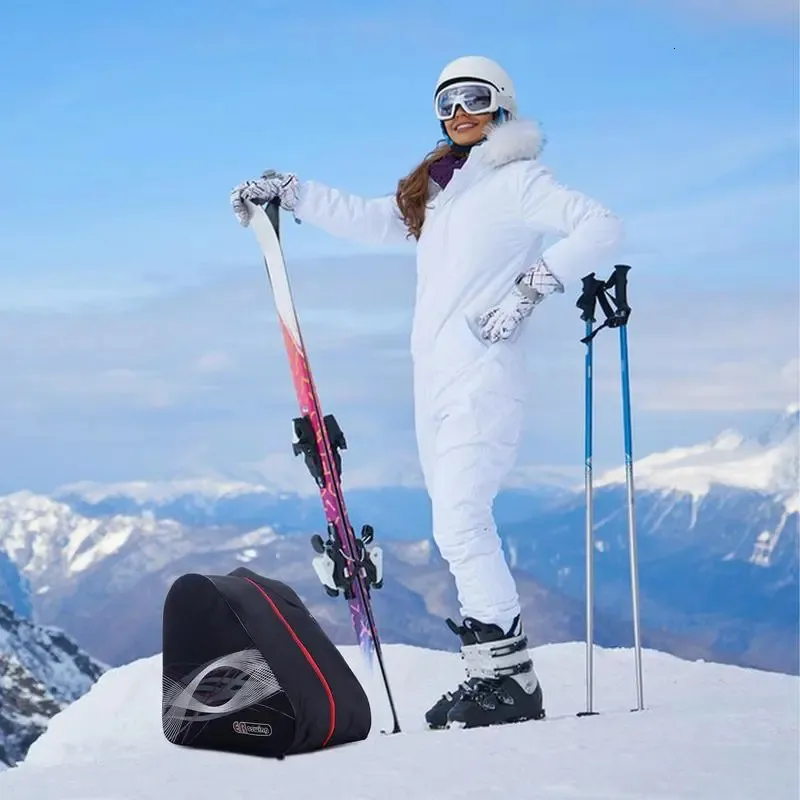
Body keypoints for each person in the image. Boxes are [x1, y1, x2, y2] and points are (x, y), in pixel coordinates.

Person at [230, 55, 623, 730]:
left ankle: (510, 684)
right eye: (445, 103)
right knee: (454, 524)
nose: (459, 112)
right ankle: (492, 675)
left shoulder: (519, 179)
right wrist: (292, 194)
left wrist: (533, 285)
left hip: (484, 376)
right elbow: (374, 220)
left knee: (461, 518)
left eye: (473, 98)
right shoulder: (441, 187)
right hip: (432, 381)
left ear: (501, 103)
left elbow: (602, 226)